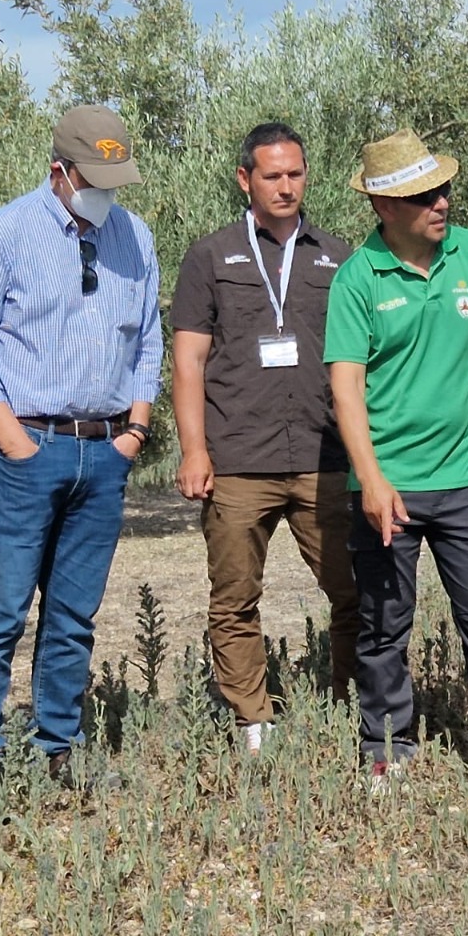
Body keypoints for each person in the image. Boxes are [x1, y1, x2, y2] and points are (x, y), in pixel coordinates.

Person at [0, 105, 162, 808]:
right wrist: (13, 440)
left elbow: (149, 340)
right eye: (92, 178)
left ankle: (58, 748)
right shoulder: (5, 234)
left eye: (113, 179)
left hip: (102, 454)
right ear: (58, 172)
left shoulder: (136, 238)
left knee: (72, 616)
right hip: (25, 449)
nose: (105, 192)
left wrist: (133, 433)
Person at [324, 128, 468, 800]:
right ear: (384, 208)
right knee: (386, 624)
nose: (441, 202)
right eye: (423, 195)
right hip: (390, 486)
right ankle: (388, 748)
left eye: (443, 188)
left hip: (465, 479)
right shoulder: (357, 279)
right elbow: (345, 386)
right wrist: (371, 477)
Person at [170, 123, 358, 751]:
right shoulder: (210, 256)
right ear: (245, 179)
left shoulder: (338, 255)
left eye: (296, 173)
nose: (286, 186)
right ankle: (254, 720)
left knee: (355, 591)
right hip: (237, 457)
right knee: (234, 599)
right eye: (272, 175)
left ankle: (352, 702)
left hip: (324, 455)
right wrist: (194, 449)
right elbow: (189, 361)